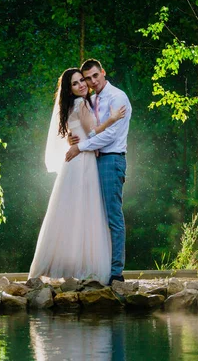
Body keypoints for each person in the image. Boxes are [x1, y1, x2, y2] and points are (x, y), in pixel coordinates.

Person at [29, 68, 126, 284]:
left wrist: (74, 142)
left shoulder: (71, 106)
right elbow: (93, 133)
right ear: (69, 89)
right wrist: (112, 119)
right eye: (76, 83)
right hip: (84, 162)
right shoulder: (81, 104)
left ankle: (67, 266)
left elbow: (75, 133)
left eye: (82, 80)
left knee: (71, 214)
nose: (82, 85)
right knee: (86, 213)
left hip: (75, 162)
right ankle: (86, 267)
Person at [65, 59, 132, 285]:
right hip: (94, 161)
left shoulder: (117, 98)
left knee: (113, 216)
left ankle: (116, 273)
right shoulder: (92, 99)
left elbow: (110, 136)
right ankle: (96, 268)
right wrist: (71, 137)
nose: (92, 82)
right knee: (95, 216)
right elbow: (82, 124)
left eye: (95, 76)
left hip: (111, 159)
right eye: (87, 78)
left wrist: (80, 146)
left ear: (103, 72)